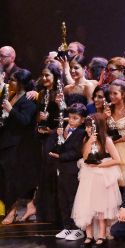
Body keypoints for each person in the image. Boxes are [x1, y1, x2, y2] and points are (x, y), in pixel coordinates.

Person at [72, 113, 122, 248]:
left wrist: (99, 165)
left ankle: (102, 235)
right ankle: (88, 236)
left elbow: (117, 159)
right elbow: (85, 156)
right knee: (86, 205)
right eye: (87, 126)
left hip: (101, 175)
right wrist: (89, 141)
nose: (88, 129)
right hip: (88, 175)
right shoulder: (86, 139)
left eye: (90, 126)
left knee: (100, 207)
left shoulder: (106, 140)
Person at [0, 69, 39, 224]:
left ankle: (13, 210)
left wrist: (10, 110)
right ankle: (29, 205)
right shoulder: (11, 95)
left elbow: (25, 121)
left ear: (22, 82)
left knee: (12, 179)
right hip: (6, 143)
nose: (11, 82)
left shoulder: (28, 99)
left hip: (19, 145)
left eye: (14, 80)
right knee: (4, 178)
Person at [49, 103, 87, 240]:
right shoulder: (65, 130)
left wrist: (60, 156)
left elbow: (77, 152)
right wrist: (61, 138)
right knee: (62, 199)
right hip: (61, 169)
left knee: (72, 199)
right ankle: (67, 227)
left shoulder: (82, 133)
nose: (71, 121)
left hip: (72, 170)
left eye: (75, 118)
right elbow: (58, 148)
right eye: (70, 117)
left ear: (82, 120)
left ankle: (78, 228)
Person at [34, 63, 63, 223]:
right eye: (43, 75)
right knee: (44, 174)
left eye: (48, 75)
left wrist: (60, 105)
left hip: (54, 137)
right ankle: (45, 213)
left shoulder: (60, 93)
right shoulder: (42, 93)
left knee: (53, 174)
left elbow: (64, 118)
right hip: (43, 137)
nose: (44, 78)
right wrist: (40, 118)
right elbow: (37, 117)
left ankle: (56, 215)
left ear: (54, 77)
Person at [105, 79, 125, 187]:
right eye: (110, 93)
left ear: (124, 94)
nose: (112, 96)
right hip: (111, 149)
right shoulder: (108, 108)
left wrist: (118, 141)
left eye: (115, 93)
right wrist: (104, 117)